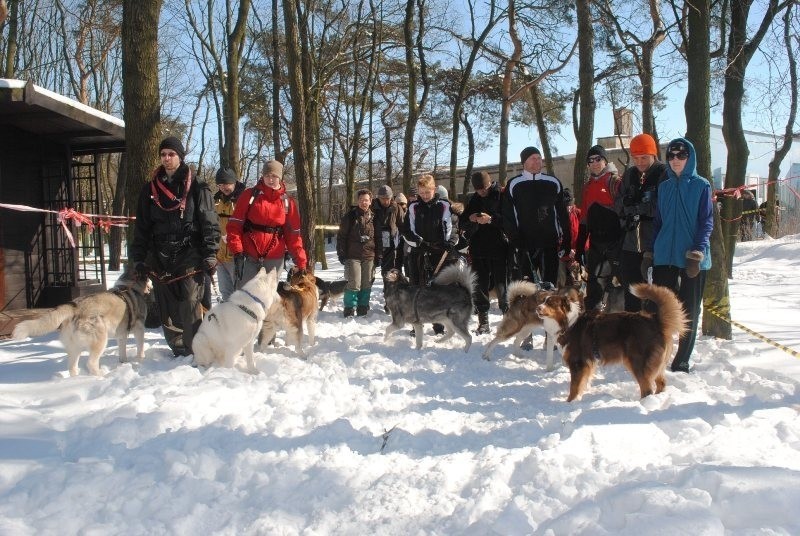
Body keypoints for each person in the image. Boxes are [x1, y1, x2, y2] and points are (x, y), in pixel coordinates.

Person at [131, 136, 220, 357]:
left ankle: (196, 348)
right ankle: (179, 348)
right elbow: (142, 226)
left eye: (171, 154)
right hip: (160, 254)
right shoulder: (149, 190)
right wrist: (139, 258)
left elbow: (210, 222)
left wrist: (210, 252)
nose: (167, 158)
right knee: (167, 302)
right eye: (163, 154)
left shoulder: (198, 187)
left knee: (191, 299)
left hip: (190, 251)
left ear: (180, 157)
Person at [644, 138, 713, 373]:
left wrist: (698, 252)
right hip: (665, 256)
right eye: (671, 156)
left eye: (680, 156)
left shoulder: (701, 186)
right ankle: (657, 355)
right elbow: (659, 222)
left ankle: (682, 359)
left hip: (692, 259)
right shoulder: (663, 187)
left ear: (689, 157)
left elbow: (706, 222)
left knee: (689, 309)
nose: (675, 160)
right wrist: (651, 250)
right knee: (660, 308)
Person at [226, 160, 308, 288]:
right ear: (262, 176)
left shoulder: (287, 202)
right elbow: (234, 226)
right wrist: (238, 252)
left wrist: (301, 261)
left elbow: (294, 236)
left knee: (267, 299)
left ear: (280, 178)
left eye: (274, 176)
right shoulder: (249, 195)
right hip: (249, 255)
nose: (270, 179)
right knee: (244, 295)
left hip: (274, 258)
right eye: (267, 176)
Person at [501, 146, 571, 286]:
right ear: (524, 162)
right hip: (525, 245)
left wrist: (566, 239)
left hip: (549, 244)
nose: (537, 161)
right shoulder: (514, 184)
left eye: (539, 158)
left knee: (549, 287)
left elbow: (562, 213)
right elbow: (507, 215)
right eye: (533, 158)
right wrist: (515, 238)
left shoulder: (553, 182)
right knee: (528, 289)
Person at [403, 174, 460, 335]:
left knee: (439, 290)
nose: (424, 196)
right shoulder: (413, 207)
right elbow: (407, 230)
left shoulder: (444, 206)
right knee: (417, 289)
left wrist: (450, 242)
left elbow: (452, 227)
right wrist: (417, 241)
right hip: (419, 253)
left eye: (427, 192)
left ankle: (439, 324)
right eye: (421, 192)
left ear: (434, 189)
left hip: (440, 253)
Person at [616, 133, 667, 312]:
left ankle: (655, 331)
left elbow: (662, 206)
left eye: (644, 157)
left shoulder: (663, 173)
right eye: (635, 158)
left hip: (653, 242)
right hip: (630, 242)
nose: (639, 162)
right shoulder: (630, 174)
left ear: (653, 154)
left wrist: (639, 207)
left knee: (653, 292)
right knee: (631, 289)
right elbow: (619, 203)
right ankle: (632, 331)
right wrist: (628, 206)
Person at [575, 145, 623, 310]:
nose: (594, 163)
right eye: (591, 160)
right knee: (594, 287)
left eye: (598, 159)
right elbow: (584, 219)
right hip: (596, 246)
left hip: (615, 245)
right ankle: (592, 325)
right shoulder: (587, 187)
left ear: (605, 161)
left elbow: (624, 215)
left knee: (619, 286)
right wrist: (580, 247)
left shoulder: (615, 182)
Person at [463, 171, 508, 334]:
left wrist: (491, 219)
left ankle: (507, 318)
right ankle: (483, 321)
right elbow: (463, 221)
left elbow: (509, 221)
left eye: (484, 188)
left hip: (499, 248)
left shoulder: (501, 195)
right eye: (478, 190)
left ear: (490, 184)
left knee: (502, 284)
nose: (481, 192)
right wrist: (471, 218)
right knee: (480, 285)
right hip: (478, 248)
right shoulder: (474, 198)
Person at [337, 189, 376, 317]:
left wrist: (379, 254)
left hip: (369, 255)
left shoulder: (374, 217)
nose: (363, 202)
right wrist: (341, 253)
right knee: (354, 283)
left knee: (366, 283)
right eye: (361, 200)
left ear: (370, 201)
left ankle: (362, 307)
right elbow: (341, 236)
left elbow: (379, 238)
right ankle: (349, 308)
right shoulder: (350, 217)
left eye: (366, 200)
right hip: (353, 256)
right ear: (357, 201)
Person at [213, 167, 246, 301]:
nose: (223, 187)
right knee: (226, 292)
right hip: (220, 255)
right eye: (220, 185)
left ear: (234, 182)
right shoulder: (216, 201)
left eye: (226, 184)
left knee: (240, 293)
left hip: (238, 255)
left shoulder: (244, 199)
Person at [371, 185, 402, 275]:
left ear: (391, 197)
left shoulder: (396, 208)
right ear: (378, 198)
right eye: (383, 198)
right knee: (369, 274)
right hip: (374, 244)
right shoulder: (371, 207)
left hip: (390, 245)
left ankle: (388, 289)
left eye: (387, 198)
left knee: (389, 272)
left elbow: (402, 225)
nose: (385, 201)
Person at [557, 188, 582, 288]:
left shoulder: (578, 213)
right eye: (566, 205)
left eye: (570, 204)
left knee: (577, 281)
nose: (568, 208)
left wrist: (576, 251)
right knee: (561, 278)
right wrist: (564, 250)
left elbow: (583, 235)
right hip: (561, 253)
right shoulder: (557, 215)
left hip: (575, 253)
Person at [394, 192, 408, 274]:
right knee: (397, 262)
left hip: (407, 241)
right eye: (398, 204)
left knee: (407, 263)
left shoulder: (409, 214)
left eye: (402, 204)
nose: (400, 206)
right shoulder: (392, 214)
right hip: (396, 241)